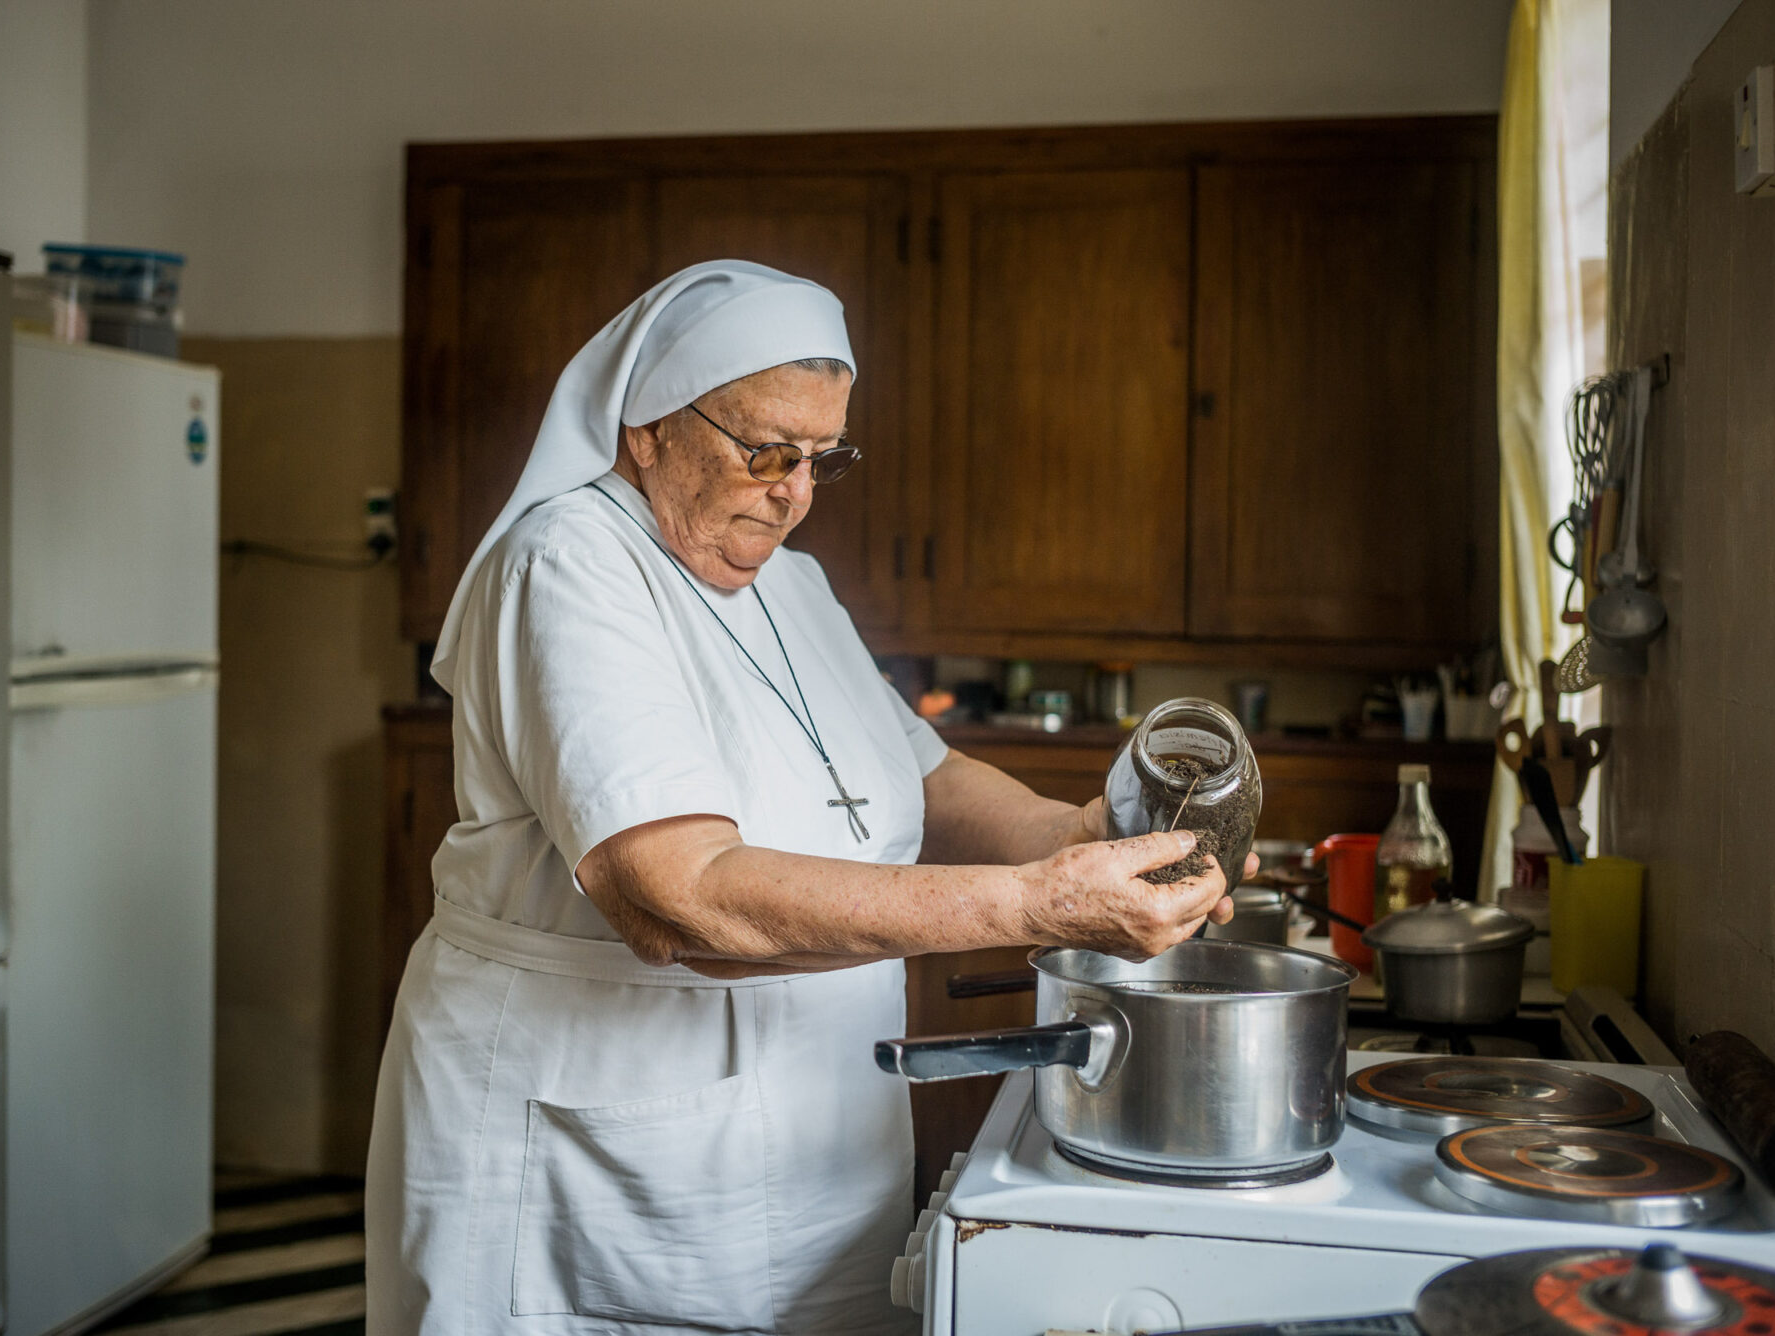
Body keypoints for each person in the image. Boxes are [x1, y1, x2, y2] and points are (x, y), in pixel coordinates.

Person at [366, 261, 1239, 1335]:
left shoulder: (794, 584)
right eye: (767, 450)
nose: (795, 491)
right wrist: (1038, 902)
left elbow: (927, 777)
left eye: (824, 457)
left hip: (813, 1134)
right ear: (647, 427)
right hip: (590, 1143)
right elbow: (680, 898)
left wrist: (1081, 838)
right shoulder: (570, 564)